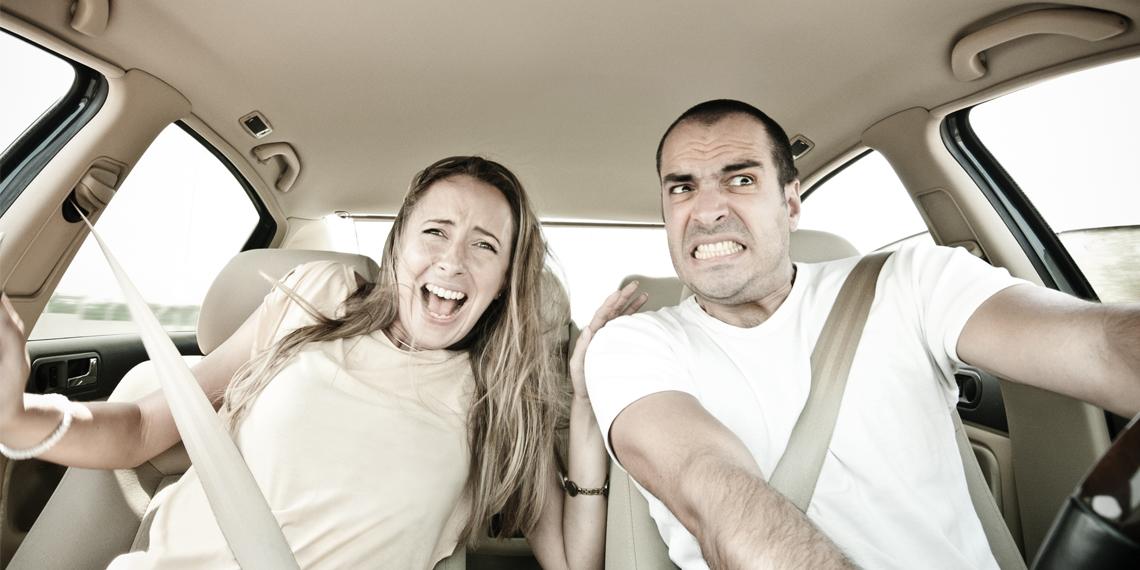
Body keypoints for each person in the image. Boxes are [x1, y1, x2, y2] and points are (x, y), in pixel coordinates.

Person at [0, 156, 645, 569]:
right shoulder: (316, 296)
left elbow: (572, 563)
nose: (453, 261)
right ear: (396, 247)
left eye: (485, 245)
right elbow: (144, 429)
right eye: (436, 231)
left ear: (505, 279)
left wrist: (584, 405)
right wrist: (19, 418)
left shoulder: (501, 397)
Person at [583, 99, 1140, 569]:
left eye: (742, 179)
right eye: (682, 189)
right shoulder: (632, 346)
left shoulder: (911, 280)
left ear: (792, 202)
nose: (705, 212)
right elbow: (714, 494)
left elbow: (1097, 345)